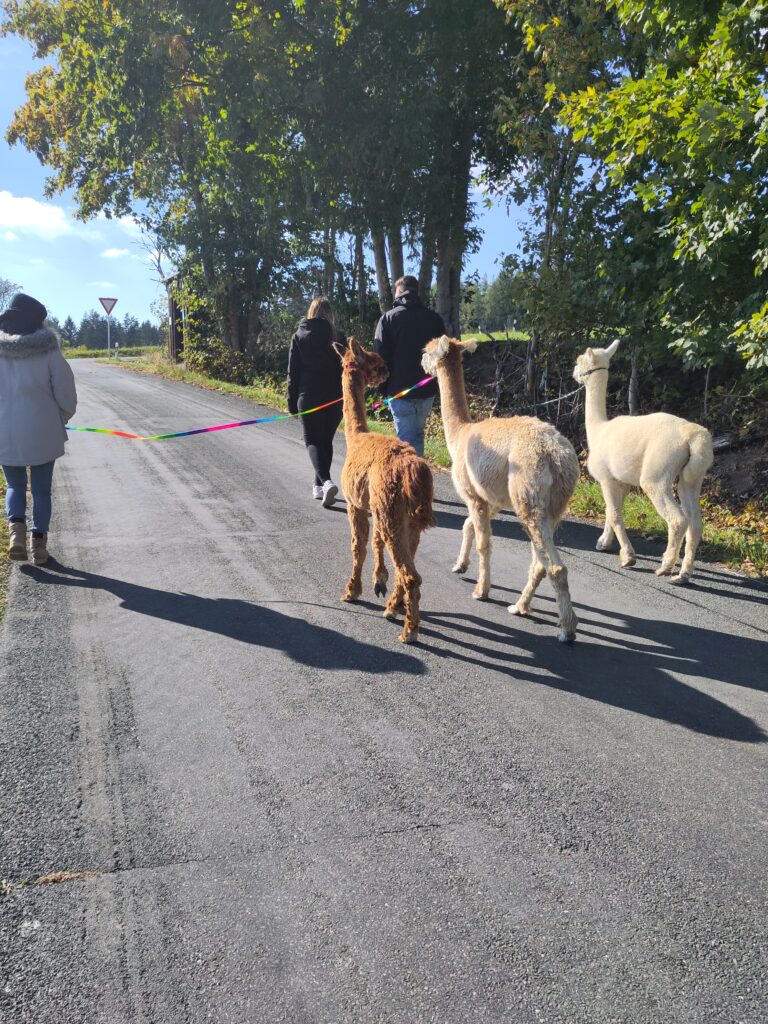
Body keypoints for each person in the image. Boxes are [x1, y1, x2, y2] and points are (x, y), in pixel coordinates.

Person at [0, 293, 78, 565]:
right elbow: (66, 393)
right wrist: (63, 417)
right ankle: (39, 547)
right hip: (43, 431)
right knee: (42, 490)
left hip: (5, 433)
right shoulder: (49, 351)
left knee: (14, 485)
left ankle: (16, 537)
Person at [373, 275, 445, 458]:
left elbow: (379, 358)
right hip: (427, 390)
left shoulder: (388, 319)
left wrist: (383, 389)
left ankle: (412, 483)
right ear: (416, 292)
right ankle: (417, 477)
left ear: (399, 291)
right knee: (417, 434)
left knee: (406, 440)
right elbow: (443, 356)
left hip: (399, 390)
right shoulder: (434, 319)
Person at [287, 297, 346, 507]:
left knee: (312, 441)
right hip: (335, 397)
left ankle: (326, 482)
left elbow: (292, 373)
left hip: (309, 396)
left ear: (311, 311)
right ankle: (319, 486)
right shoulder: (338, 337)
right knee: (325, 441)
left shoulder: (299, 335)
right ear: (330, 314)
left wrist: (291, 401)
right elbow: (348, 368)